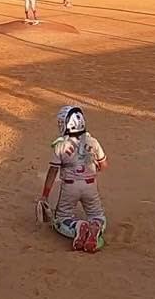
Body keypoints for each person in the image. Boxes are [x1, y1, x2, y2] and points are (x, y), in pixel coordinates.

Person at [37, 105, 108, 253]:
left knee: (61, 218)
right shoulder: (93, 142)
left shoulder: (61, 146)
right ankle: (96, 226)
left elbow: (52, 172)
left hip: (70, 187)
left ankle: (77, 226)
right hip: (90, 186)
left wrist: (44, 195)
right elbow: (104, 165)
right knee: (97, 215)